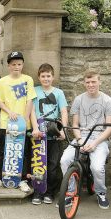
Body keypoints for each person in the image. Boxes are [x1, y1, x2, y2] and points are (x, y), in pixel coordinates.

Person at [59, 71, 111, 209]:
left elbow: (109, 128)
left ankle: (101, 193)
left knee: (96, 167)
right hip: (82, 136)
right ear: (84, 83)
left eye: (93, 82)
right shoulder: (79, 99)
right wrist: (79, 140)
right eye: (88, 82)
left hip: (99, 138)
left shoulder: (107, 100)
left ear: (99, 82)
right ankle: (71, 191)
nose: (91, 85)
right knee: (65, 160)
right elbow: (75, 124)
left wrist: (95, 143)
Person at [0, 51, 37, 192]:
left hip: (22, 123)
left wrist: (26, 119)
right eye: (13, 64)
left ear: (23, 65)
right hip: (6, 122)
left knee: (23, 152)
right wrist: (10, 112)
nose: (16, 67)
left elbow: (30, 100)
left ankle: (22, 180)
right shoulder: (3, 81)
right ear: (8, 66)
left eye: (19, 64)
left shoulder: (28, 80)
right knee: (4, 150)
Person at [30, 63, 68, 205]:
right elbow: (32, 111)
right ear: (39, 77)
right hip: (39, 132)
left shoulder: (59, 93)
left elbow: (63, 111)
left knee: (52, 165)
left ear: (53, 77)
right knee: (38, 163)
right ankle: (38, 191)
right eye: (43, 76)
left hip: (53, 131)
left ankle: (50, 192)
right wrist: (34, 128)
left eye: (48, 76)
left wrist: (63, 129)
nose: (46, 79)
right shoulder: (35, 91)